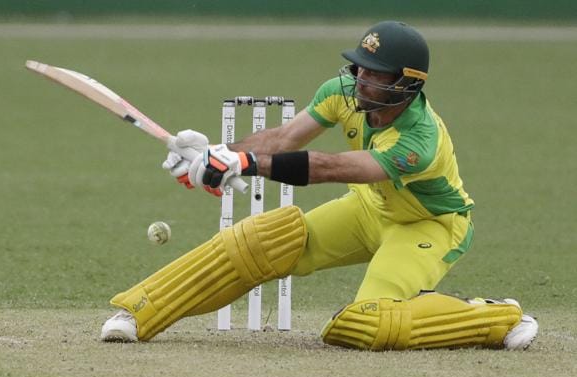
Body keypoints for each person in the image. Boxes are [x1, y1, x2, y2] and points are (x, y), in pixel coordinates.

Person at [101, 21, 538, 350]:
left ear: (407, 83)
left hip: (429, 226)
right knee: (263, 241)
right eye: (360, 67)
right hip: (370, 210)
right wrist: (216, 152)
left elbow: (334, 169)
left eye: (376, 74)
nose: (361, 80)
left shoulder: (420, 140)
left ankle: (497, 317)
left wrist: (248, 163)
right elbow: (283, 139)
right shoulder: (342, 92)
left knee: (366, 323)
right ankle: (140, 312)